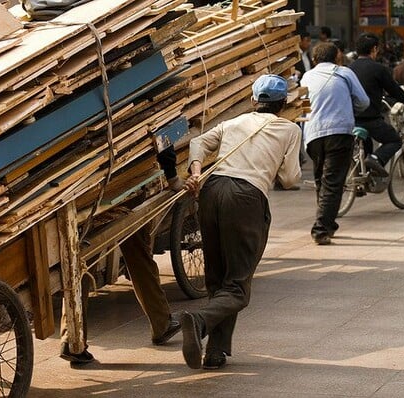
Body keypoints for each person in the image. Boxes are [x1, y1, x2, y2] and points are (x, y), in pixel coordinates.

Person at [180, 74, 302, 370]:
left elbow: (198, 142)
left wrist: (196, 171)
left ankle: (215, 352)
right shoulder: (289, 129)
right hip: (246, 198)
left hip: (211, 190)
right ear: (284, 104)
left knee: (217, 278)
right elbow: (289, 178)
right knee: (237, 287)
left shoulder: (233, 124)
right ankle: (199, 321)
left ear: (252, 101)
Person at [59, 147, 184, 364]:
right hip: (124, 179)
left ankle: (71, 339)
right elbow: (162, 134)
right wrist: (172, 176)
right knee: (138, 252)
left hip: (80, 184)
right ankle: (161, 322)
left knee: (81, 256)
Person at [300, 42, 370, 245]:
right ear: (337, 57)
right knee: (332, 181)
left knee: (321, 180)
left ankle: (328, 223)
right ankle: (321, 228)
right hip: (339, 132)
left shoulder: (307, 76)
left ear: (314, 60)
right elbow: (363, 101)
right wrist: (347, 109)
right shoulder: (344, 73)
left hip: (313, 134)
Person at [349, 33, 404, 176]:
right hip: (371, 120)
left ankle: (362, 180)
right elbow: (395, 90)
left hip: (352, 119)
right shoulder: (378, 68)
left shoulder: (349, 69)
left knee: (365, 147)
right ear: (374, 49)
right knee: (395, 140)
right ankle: (376, 159)